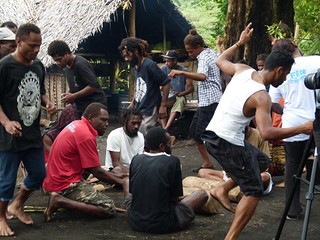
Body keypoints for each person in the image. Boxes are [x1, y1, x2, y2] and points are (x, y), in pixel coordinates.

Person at [202, 23, 313, 239]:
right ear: (279, 70)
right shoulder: (262, 96)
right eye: (287, 74)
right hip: (226, 142)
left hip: (213, 135)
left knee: (262, 162)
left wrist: (239, 43)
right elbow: (267, 133)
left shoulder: (244, 70)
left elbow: (220, 61)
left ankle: (222, 189)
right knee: (254, 189)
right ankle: (231, 237)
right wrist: (303, 128)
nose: (286, 79)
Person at [0, 23, 56, 237]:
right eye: (32, 46)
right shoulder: (5, 66)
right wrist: (5, 122)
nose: (36, 50)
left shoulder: (38, 66)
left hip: (31, 133)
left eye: (39, 46)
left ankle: (17, 205)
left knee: (39, 174)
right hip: (9, 136)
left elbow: (40, 91)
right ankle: (1, 217)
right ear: (18, 42)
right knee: (6, 180)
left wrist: (47, 102)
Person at [43, 102, 125, 222]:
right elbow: (97, 171)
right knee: (108, 207)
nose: (106, 124)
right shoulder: (85, 135)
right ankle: (60, 201)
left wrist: (114, 176)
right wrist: (122, 182)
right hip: (62, 185)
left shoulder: (77, 124)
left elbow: (91, 166)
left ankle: (64, 197)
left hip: (51, 179)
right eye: (103, 120)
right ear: (90, 118)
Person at [269, 38, 320, 220]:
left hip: (294, 124)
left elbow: (272, 102)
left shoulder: (279, 71)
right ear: (296, 46)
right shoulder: (315, 61)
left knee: (293, 166)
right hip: (317, 121)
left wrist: (288, 111)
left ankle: (293, 210)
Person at [123, 127, 208, 233]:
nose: (171, 146)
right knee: (202, 194)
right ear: (162, 146)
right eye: (169, 143)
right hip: (163, 223)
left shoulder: (136, 159)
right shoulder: (172, 161)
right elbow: (174, 199)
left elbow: (132, 191)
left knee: (126, 182)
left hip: (135, 221)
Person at [168, 29, 223, 172]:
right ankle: (207, 162)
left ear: (198, 46)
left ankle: (228, 163)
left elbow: (202, 76)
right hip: (206, 101)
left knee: (206, 134)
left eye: (191, 51)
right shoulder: (210, 52)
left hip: (211, 101)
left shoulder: (204, 57)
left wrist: (182, 72)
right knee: (194, 132)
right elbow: (220, 57)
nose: (189, 54)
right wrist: (218, 45)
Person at [118, 37, 171, 136]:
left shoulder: (149, 65)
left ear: (136, 51)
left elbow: (166, 82)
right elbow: (139, 88)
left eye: (128, 55)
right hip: (140, 108)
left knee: (144, 134)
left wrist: (163, 105)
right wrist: (133, 102)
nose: (126, 58)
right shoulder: (135, 68)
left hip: (150, 108)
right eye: (124, 56)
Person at [47, 40, 107, 117]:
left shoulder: (80, 64)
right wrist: (69, 94)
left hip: (94, 107)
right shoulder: (66, 67)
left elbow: (93, 86)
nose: (58, 63)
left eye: (59, 59)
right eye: (55, 61)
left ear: (66, 53)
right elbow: (77, 85)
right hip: (82, 107)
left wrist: (73, 96)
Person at [160, 50, 194, 130]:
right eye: (166, 61)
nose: (166, 63)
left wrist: (181, 93)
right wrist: (160, 88)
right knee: (158, 101)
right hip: (165, 96)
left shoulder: (184, 71)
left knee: (180, 100)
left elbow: (191, 88)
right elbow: (158, 84)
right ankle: (163, 127)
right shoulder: (163, 69)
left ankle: (167, 127)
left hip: (178, 96)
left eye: (168, 61)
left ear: (175, 61)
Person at [104, 108, 144, 175]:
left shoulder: (140, 136)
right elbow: (115, 163)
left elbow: (139, 161)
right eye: (133, 123)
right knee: (118, 170)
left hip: (132, 171)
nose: (136, 126)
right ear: (125, 121)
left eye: (139, 123)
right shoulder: (115, 135)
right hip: (115, 171)